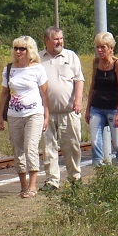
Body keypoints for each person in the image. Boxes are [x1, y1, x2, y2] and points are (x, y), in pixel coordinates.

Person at [0, 36, 49, 198]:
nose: (18, 51)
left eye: (22, 49)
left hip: (34, 113)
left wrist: (46, 116)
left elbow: (45, 95)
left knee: (30, 147)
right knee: (17, 149)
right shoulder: (9, 69)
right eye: (16, 48)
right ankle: (23, 185)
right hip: (14, 114)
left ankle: (33, 185)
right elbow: (5, 93)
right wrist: (0, 116)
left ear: (30, 50)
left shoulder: (38, 69)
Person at [39, 26, 85, 190]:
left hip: (69, 111)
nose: (59, 42)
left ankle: (75, 178)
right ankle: (52, 181)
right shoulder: (38, 58)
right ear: (46, 40)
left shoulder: (71, 56)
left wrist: (78, 100)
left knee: (72, 145)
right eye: (56, 39)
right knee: (48, 147)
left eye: (61, 38)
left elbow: (79, 80)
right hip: (46, 113)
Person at [84, 32, 118, 168]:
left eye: (103, 47)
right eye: (97, 47)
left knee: (117, 144)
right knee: (96, 143)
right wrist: (87, 109)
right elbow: (93, 86)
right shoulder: (96, 62)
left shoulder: (117, 63)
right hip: (97, 108)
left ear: (110, 48)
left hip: (113, 109)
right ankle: (101, 177)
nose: (99, 50)